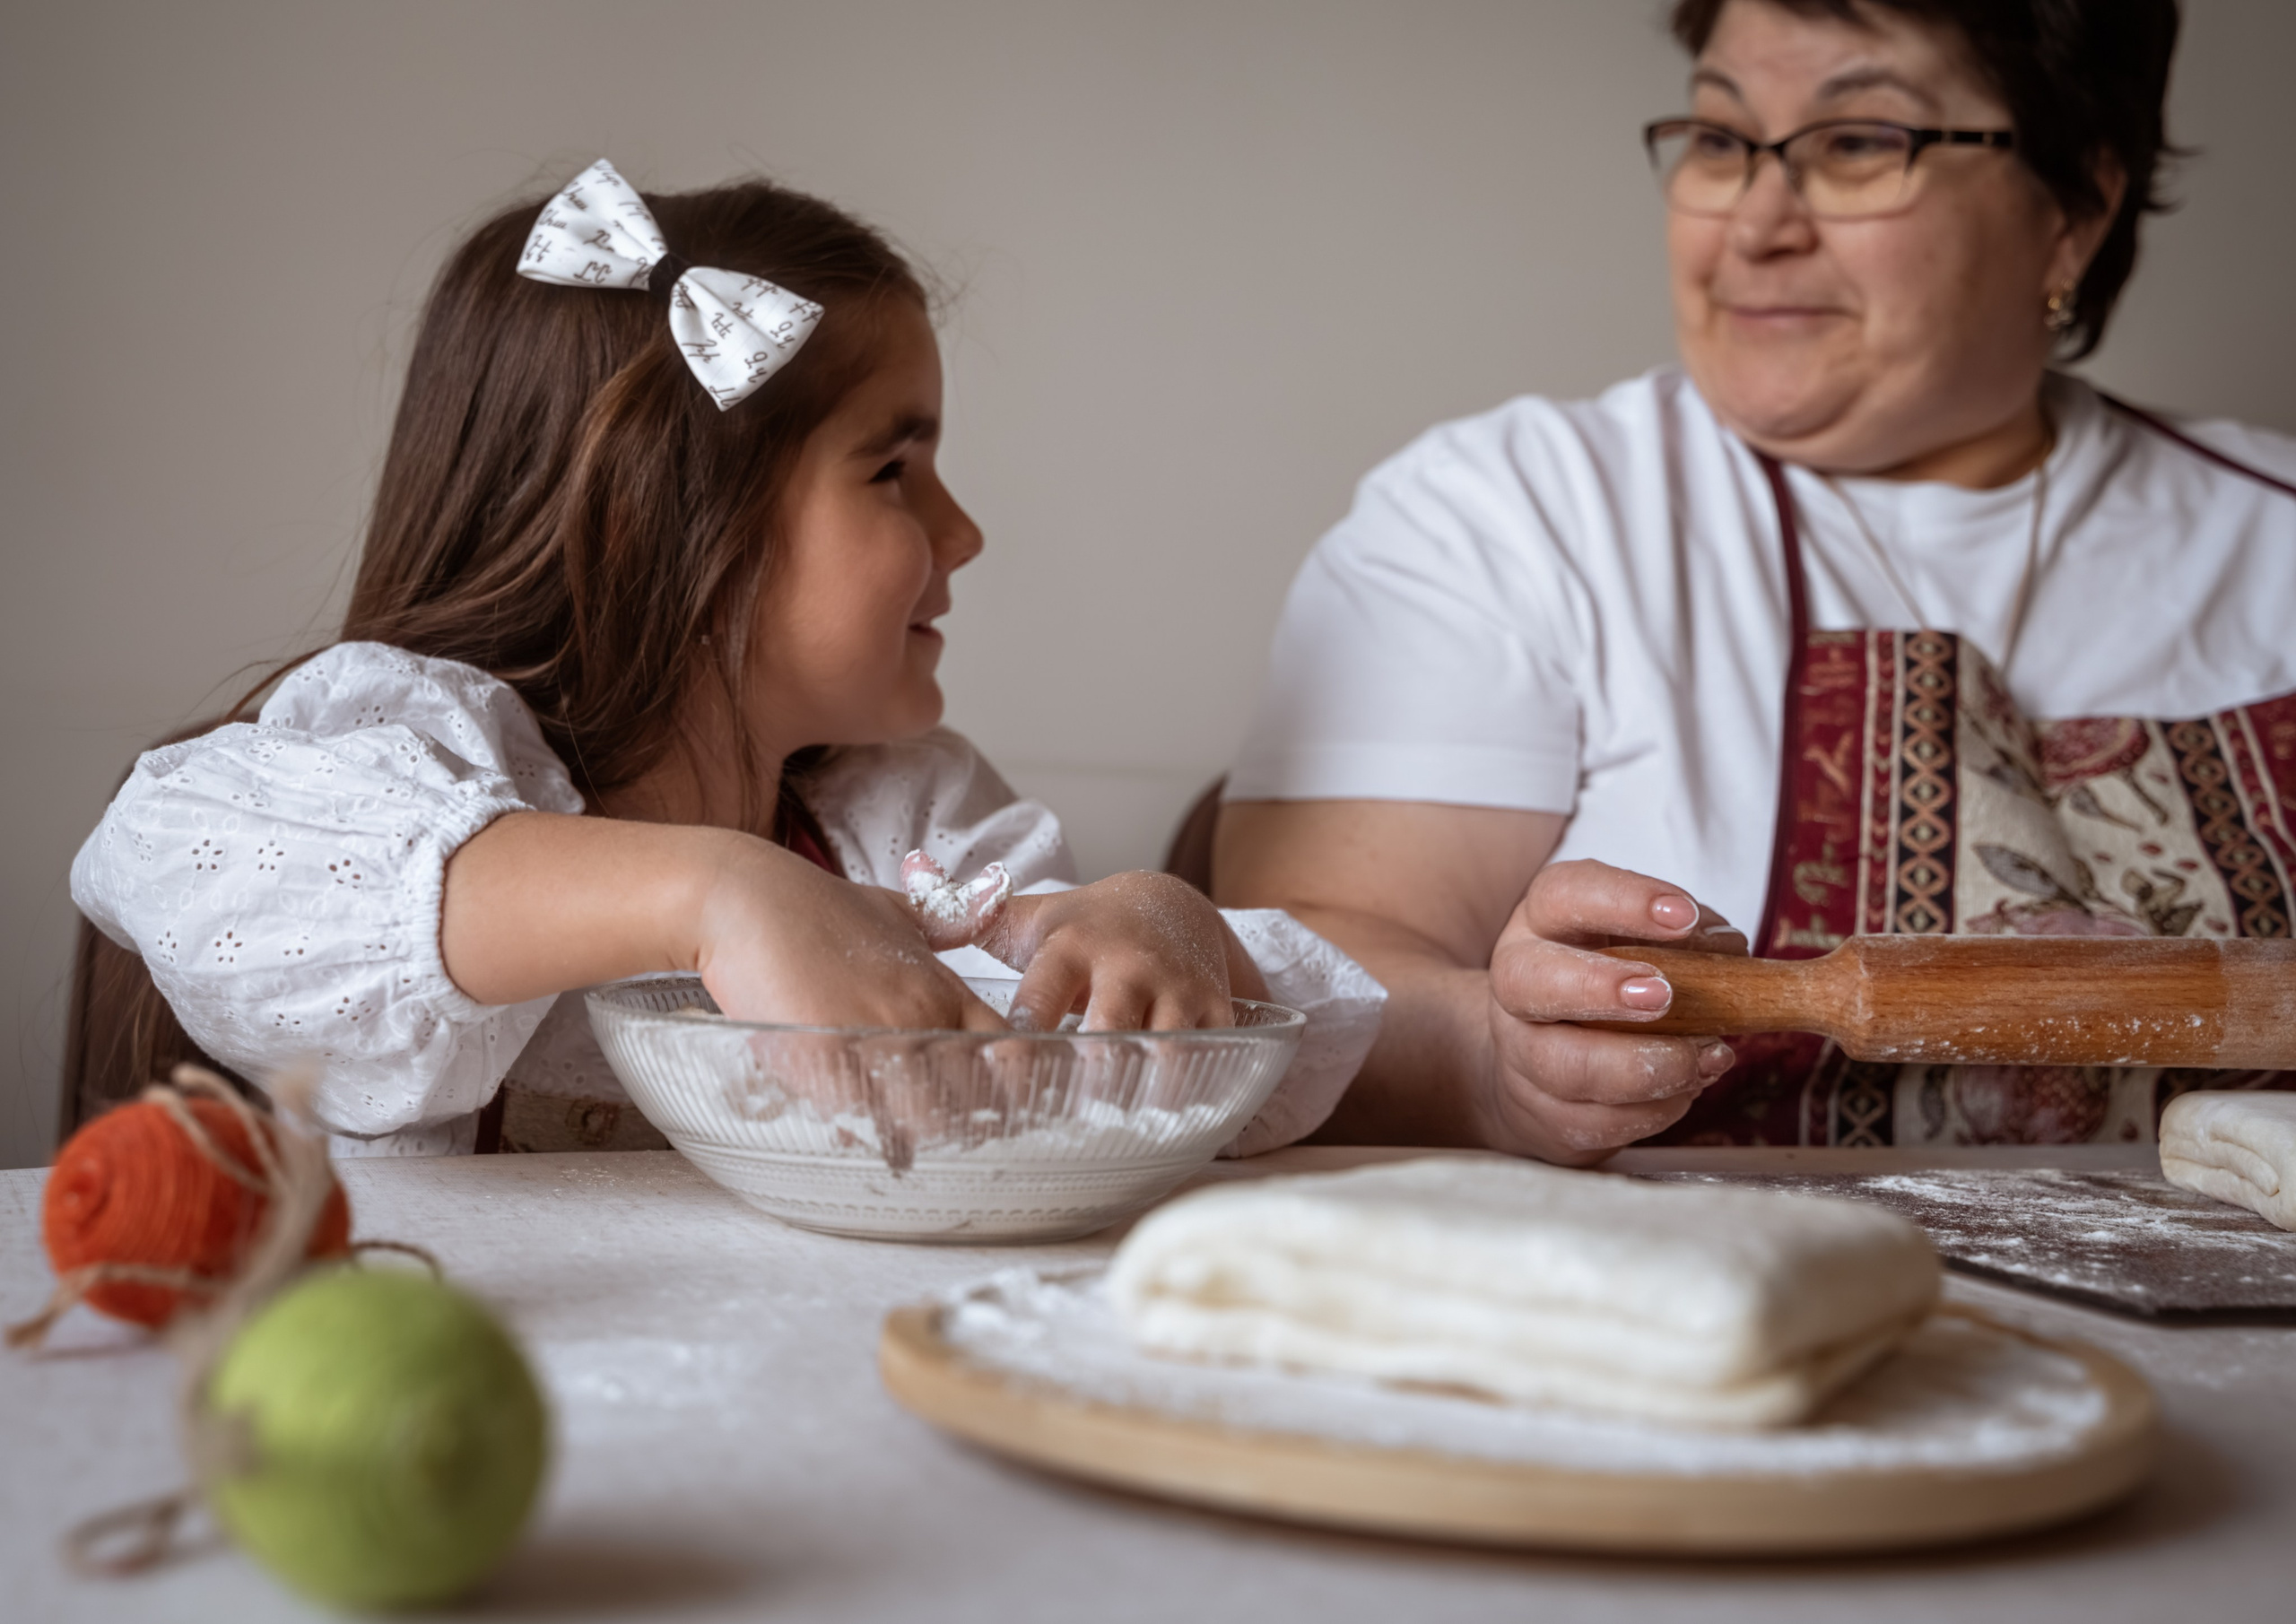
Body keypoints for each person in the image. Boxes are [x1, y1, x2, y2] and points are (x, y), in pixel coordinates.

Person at [71, 161, 1381, 1157]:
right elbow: (173, 852)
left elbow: (1050, 1071)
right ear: (669, 517)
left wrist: (1155, 923)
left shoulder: (897, 812)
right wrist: (719, 893)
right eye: (893, 470)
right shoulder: (417, 742)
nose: (964, 532)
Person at [1216, 0, 2292, 1160]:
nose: (1757, 223)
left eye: (1860, 143)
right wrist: (1494, 1064)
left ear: (2076, 207)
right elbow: (1306, 969)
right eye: (1725, 141)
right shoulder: (1512, 513)